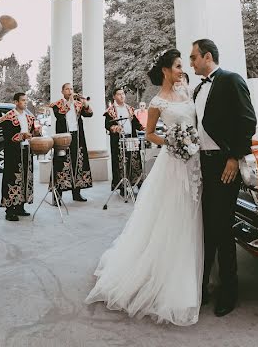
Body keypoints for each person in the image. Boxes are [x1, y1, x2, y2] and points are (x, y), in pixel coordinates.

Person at [86, 49, 203, 326]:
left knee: (194, 211)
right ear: (165, 70)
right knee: (174, 217)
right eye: (177, 66)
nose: (181, 70)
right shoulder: (157, 102)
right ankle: (172, 279)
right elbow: (149, 133)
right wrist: (171, 142)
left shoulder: (187, 93)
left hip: (195, 162)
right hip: (173, 163)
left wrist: (191, 141)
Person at [190, 38, 257, 317]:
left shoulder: (231, 80)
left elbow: (247, 120)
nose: (191, 62)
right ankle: (203, 286)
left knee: (223, 228)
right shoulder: (196, 89)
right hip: (200, 165)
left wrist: (233, 157)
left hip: (223, 163)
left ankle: (229, 291)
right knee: (205, 228)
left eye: (194, 57)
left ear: (207, 56)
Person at [0, 92, 41, 220]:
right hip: (13, 152)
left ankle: (20, 206)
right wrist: (23, 136)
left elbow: (34, 132)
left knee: (25, 177)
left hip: (26, 150)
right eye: (23, 100)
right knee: (12, 178)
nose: (25, 102)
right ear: (16, 102)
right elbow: (7, 136)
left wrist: (36, 132)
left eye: (26, 100)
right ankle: (10, 209)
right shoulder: (8, 117)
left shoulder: (29, 117)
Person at [49, 83, 93, 202]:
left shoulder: (78, 104)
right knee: (60, 163)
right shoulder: (57, 104)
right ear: (62, 91)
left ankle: (77, 193)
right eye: (67, 89)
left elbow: (89, 114)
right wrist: (70, 102)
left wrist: (85, 103)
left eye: (71, 89)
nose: (70, 91)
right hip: (63, 137)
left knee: (77, 162)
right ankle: (57, 196)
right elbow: (60, 115)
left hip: (77, 137)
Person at [104, 88, 143, 195]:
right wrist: (115, 128)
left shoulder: (129, 109)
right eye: (119, 94)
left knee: (134, 160)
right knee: (120, 162)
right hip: (119, 140)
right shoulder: (110, 111)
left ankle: (137, 183)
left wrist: (142, 127)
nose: (122, 96)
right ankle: (122, 187)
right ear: (114, 96)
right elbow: (107, 125)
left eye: (123, 94)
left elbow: (135, 123)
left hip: (131, 138)